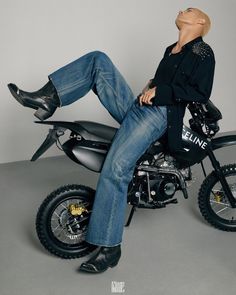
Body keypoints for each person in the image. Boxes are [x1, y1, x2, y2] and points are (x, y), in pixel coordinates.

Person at [8, 7, 215, 273]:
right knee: (98, 60)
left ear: (200, 21)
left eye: (189, 9)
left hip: (159, 117)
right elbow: (167, 82)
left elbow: (199, 92)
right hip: (141, 109)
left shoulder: (203, 52)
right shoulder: (170, 49)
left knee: (116, 169)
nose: (181, 9)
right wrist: (151, 84)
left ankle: (109, 248)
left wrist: (160, 91)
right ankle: (47, 97)